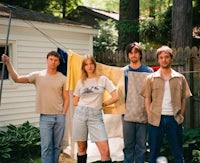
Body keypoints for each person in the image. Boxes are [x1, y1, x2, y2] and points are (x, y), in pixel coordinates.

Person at [1, 51, 69, 163]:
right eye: (51, 59)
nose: (53, 62)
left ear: (58, 63)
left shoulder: (63, 78)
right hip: (45, 118)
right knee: (46, 147)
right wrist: (8, 62)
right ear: (47, 61)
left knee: (57, 147)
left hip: (59, 117)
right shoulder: (38, 75)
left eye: (55, 60)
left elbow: (67, 98)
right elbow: (17, 79)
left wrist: (63, 114)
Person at [141, 45, 192, 163]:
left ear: (171, 59)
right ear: (158, 59)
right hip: (155, 120)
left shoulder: (180, 78)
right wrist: (150, 115)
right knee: (153, 153)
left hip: (173, 120)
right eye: (161, 57)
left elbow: (184, 99)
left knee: (178, 153)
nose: (164, 60)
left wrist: (180, 115)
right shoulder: (151, 78)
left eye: (167, 57)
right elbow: (147, 98)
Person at [72, 55, 119, 163]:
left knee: (105, 151)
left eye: (91, 64)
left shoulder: (103, 79)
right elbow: (75, 101)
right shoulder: (80, 82)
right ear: (83, 67)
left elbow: (116, 96)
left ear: (95, 65)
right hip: (80, 115)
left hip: (95, 116)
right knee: (81, 148)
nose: (89, 66)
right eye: (86, 64)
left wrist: (103, 104)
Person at [121, 42, 153, 163]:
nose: (133, 55)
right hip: (127, 114)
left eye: (136, 53)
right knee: (128, 146)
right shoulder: (122, 72)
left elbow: (152, 93)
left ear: (140, 55)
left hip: (143, 113)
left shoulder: (148, 71)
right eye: (131, 53)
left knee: (141, 147)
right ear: (128, 55)